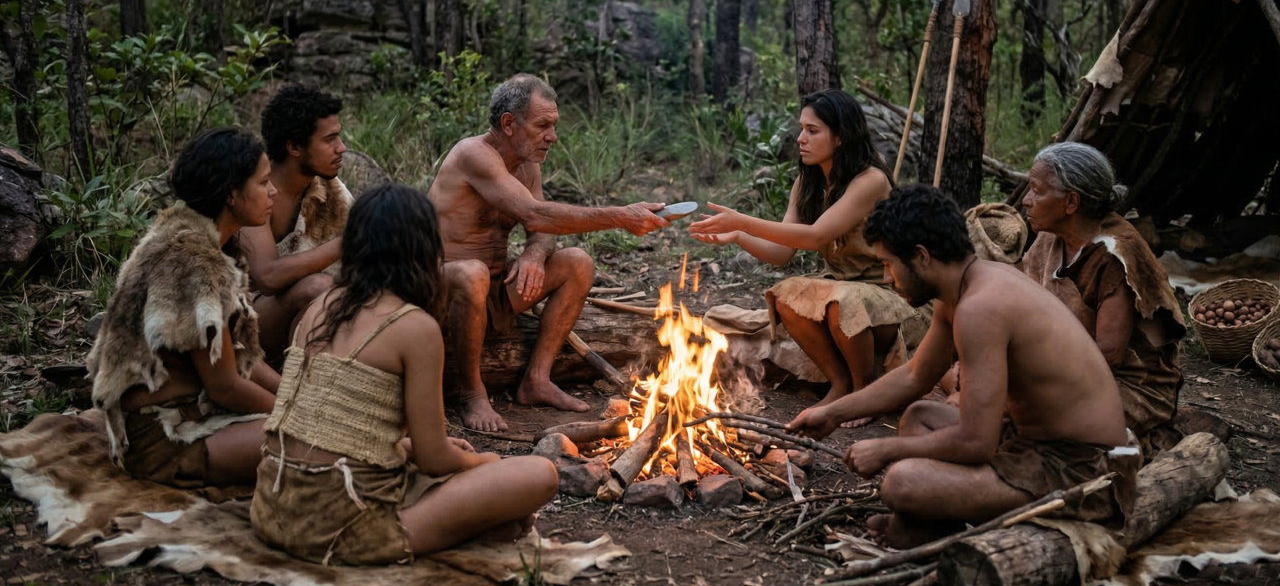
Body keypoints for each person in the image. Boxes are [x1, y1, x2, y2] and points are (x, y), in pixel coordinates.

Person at [788, 185, 1140, 548]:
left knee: (901, 482)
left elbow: (976, 443)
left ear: (921, 256)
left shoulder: (980, 308)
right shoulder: (965, 287)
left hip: (1085, 471)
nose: (887, 279)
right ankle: (930, 527)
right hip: (1034, 444)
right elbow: (915, 376)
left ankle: (931, 529)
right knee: (918, 417)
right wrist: (832, 413)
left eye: (888, 264)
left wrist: (886, 450)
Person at [250, 184, 558, 565]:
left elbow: (332, 426)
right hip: (340, 529)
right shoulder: (415, 327)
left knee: (462, 472)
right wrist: (482, 463)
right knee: (539, 474)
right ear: (425, 248)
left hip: (272, 509)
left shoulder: (322, 304)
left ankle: (478, 521)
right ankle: (473, 526)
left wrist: (415, 450)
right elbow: (434, 460)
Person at [427, 74, 670, 432]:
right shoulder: (473, 154)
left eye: (553, 126)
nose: (552, 137)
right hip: (439, 289)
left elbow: (539, 229)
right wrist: (619, 216)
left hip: (493, 288)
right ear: (509, 124)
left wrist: (534, 255)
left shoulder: (528, 164)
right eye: (543, 126)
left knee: (577, 262)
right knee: (472, 272)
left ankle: (536, 380)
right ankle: (471, 393)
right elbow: (535, 214)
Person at [688, 90, 916, 421]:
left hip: (888, 295)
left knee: (841, 302)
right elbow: (782, 253)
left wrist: (741, 219)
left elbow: (817, 235)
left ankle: (864, 392)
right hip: (842, 288)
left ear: (840, 137)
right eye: (801, 129)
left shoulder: (870, 179)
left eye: (812, 131)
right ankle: (839, 386)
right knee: (785, 296)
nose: (800, 139)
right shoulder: (807, 182)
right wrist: (738, 235)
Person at [87, 127, 281, 489]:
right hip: (165, 439)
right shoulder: (193, 265)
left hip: (192, 413)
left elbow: (241, 360)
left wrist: (294, 394)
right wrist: (295, 415)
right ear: (231, 195)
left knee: (316, 425)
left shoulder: (184, 236)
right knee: (317, 444)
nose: (273, 191)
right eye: (264, 182)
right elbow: (226, 387)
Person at [1021, 142, 1185, 456]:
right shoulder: (1047, 238)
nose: (1027, 201)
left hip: (1128, 384)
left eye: (1036, 191)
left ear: (1071, 201)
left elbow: (1106, 356)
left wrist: (1028, 378)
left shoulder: (1115, 254)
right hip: (1062, 365)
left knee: (1031, 416)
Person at [241, 84, 353, 363]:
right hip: (239, 329)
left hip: (297, 320)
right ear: (293, 146)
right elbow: (267, 277)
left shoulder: (331, 191)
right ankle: (296, 382)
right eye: (329, 140)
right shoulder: (253, 189)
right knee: (317, 287)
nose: (342, 148)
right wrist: (351, 241)